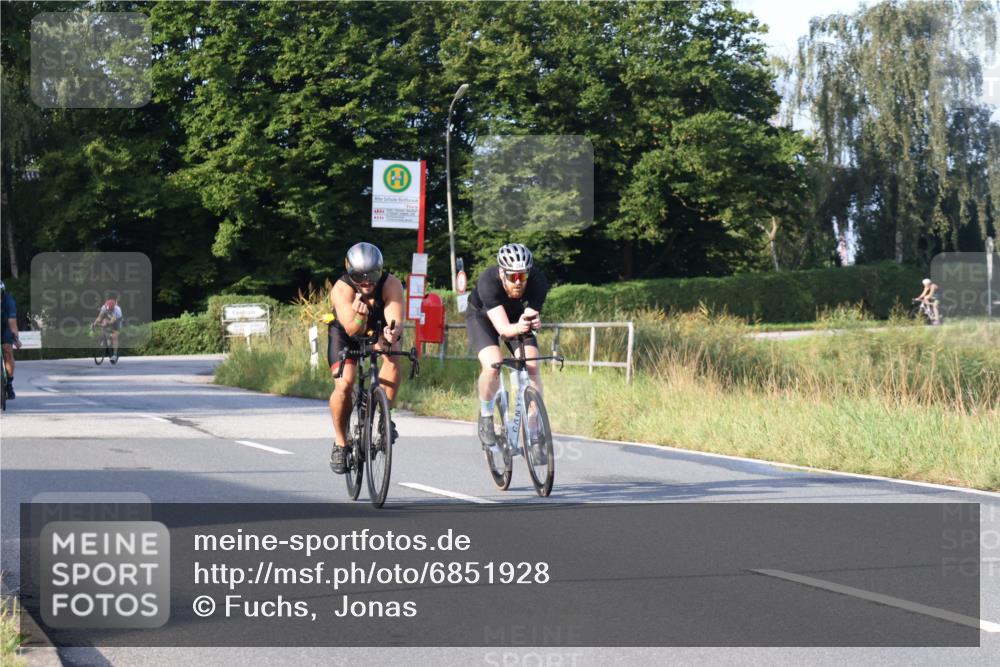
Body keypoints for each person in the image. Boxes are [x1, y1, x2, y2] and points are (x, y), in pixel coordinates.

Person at [327, 242, 405, 474]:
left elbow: (395, 319)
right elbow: (352, 329)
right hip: (346, 333)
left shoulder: (391, 284)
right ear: (349, 272)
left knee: (392, 354)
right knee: (344, 384)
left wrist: (392, 332)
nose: (366, 282)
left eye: (372, 275)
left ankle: (384, 416)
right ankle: (341, 442)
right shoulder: (341, 289)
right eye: (359, 277)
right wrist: (360, 317)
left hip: (378, 329)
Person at [465, 243, 549, 458]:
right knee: (493, 364)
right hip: (482, 318)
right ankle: (486, 417)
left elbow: (528, 317)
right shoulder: (487, 282)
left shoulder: (538, 281)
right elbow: (503, 330)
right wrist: (520, 327)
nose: (518, 282)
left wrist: (533, 323)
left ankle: (534, 431)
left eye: (523, 276)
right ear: (502, 274)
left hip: (515, 316)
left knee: (531, 366)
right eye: (513, 277)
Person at [1, 281, 22, 399]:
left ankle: (9, 384)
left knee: (7, 350)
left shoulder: (8, 301)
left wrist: (16, 339)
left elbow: (12, 322)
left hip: (5, 327)